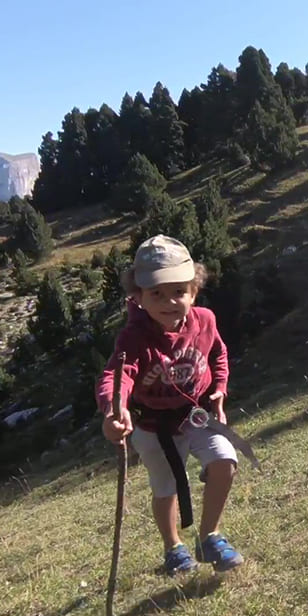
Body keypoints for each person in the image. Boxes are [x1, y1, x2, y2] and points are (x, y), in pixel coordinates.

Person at [97, 234, 244, 575]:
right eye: (156, 294)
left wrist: (219, 389)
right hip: (153, 426)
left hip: (197, 416)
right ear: (138, 296)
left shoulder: (205, 320)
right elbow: (116, 376)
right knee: (166, 488)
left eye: (179, 291)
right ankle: (173, 548)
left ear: (194, 290)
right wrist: (113, 409)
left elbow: (218, 353)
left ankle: (210, 536)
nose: (169, 302)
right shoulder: (133, 337)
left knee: (225, 460)